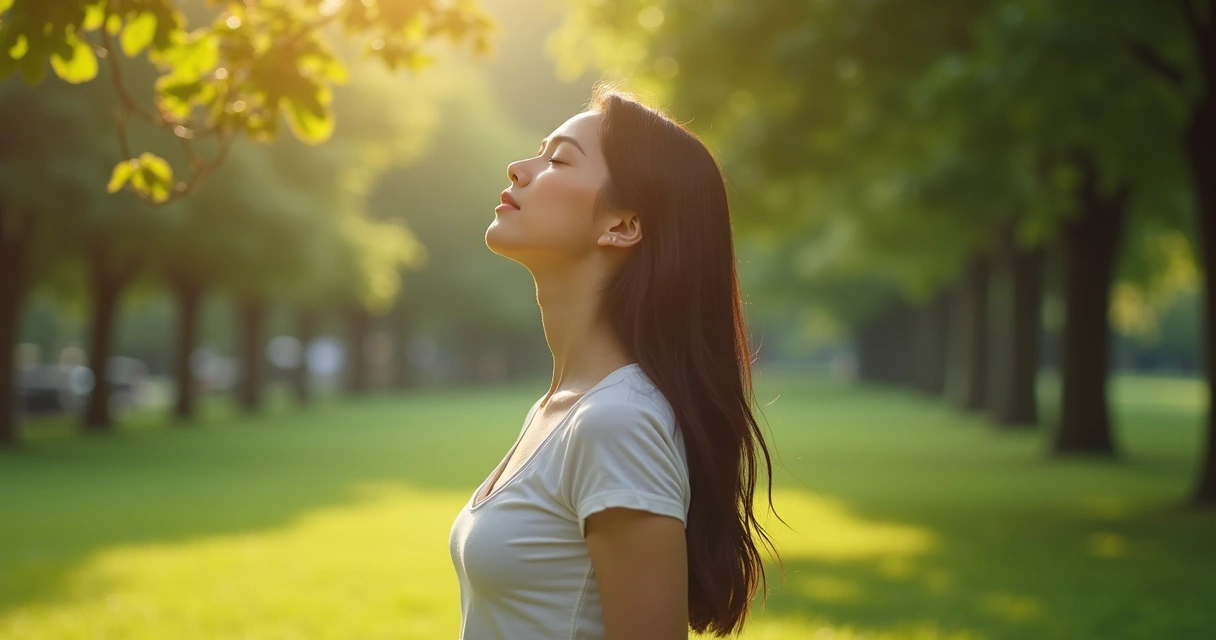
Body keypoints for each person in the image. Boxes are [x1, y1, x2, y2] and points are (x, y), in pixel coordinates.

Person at [448, 85, 779, 640]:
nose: (517, 168)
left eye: (557, 159)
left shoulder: (616, 421)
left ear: (622, 225)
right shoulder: (562, 410)